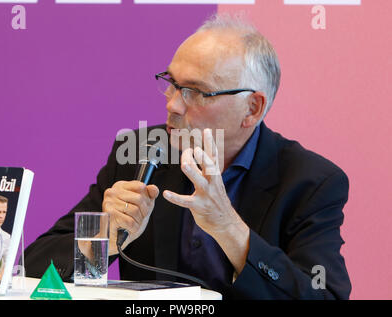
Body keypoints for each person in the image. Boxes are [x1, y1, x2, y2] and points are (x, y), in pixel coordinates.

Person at [24, 13, 351, 299]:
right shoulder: (140, 152)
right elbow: (35, 263)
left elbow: (322, 294)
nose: (172, 104)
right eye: (171, 83)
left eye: (194, 92)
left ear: (252, 108)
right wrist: (103, 240)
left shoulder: (311, 182)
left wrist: (230, 229)